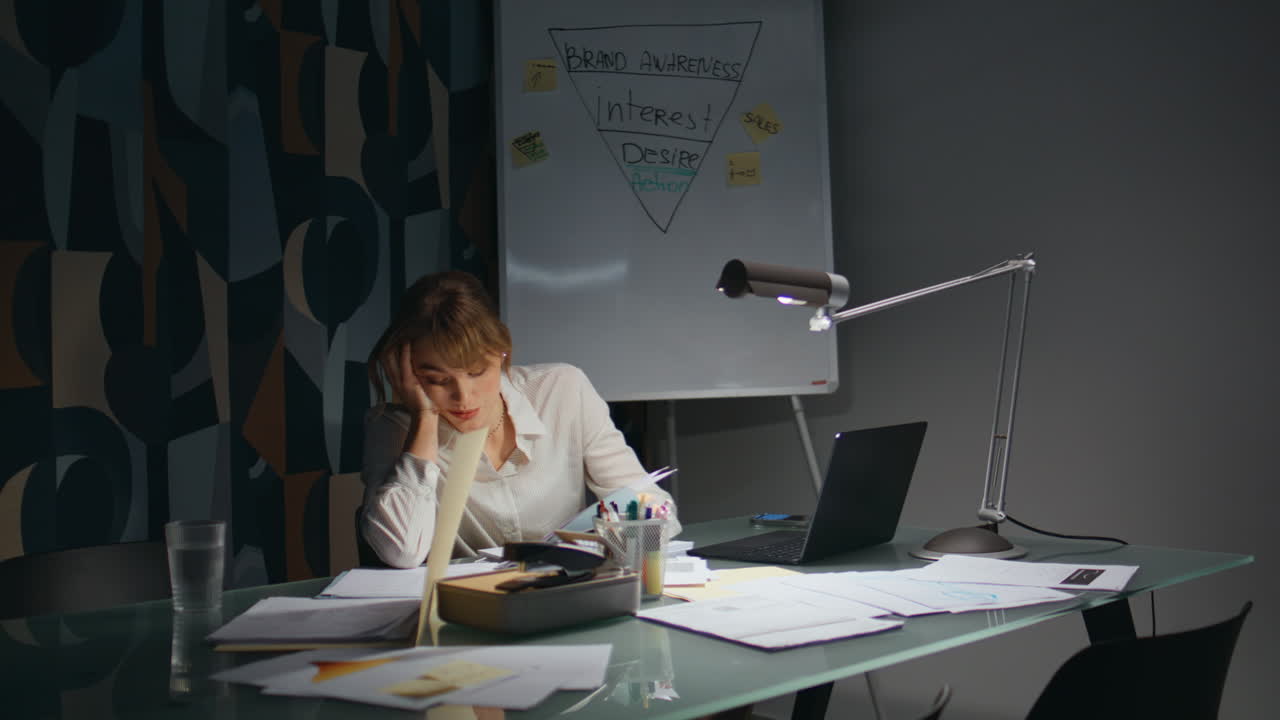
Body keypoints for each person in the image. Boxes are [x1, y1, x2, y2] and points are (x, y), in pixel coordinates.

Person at [360, 270, 680, 568]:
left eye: (477, 372)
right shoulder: (393, 428)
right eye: (437, 380)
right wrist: (425, 417)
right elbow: (400, 552)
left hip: (569, 593)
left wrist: (607, 542)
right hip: (470, 614)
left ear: (501, 352)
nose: (463, 396)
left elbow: (657, 512)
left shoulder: (563, 390)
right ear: (407, 371)